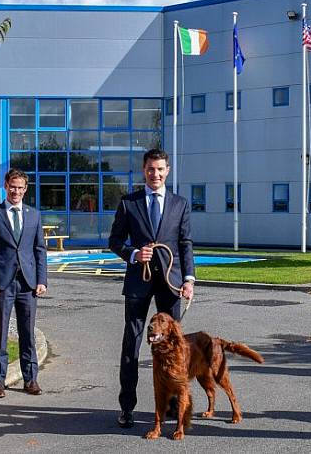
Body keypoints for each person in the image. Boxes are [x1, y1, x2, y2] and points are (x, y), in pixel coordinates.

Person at [107, 148, 195, 429]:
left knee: (172, 348)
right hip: (138, 283)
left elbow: (185, 244)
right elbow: (115, 240)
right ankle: (126, 408)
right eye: (149, 169)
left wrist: (189, 279)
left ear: (167, 170)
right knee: (131, 345)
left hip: (171, 284)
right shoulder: (128, 203)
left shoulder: (180, 204)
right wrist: (134, 254)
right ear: (143, 170)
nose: (154, 174)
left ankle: (171, 406)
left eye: (159, 169)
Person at [0, 168, 49, 399]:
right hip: (2, 284)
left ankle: (30, 378)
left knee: (27, 332)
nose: (16, 191)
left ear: (25, 189)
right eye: (12, 186)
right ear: (5, 185)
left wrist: (42, 280)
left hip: (28, 283)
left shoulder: (34, 215)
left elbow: (40, 250)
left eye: (20, 187)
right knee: (0, 333)